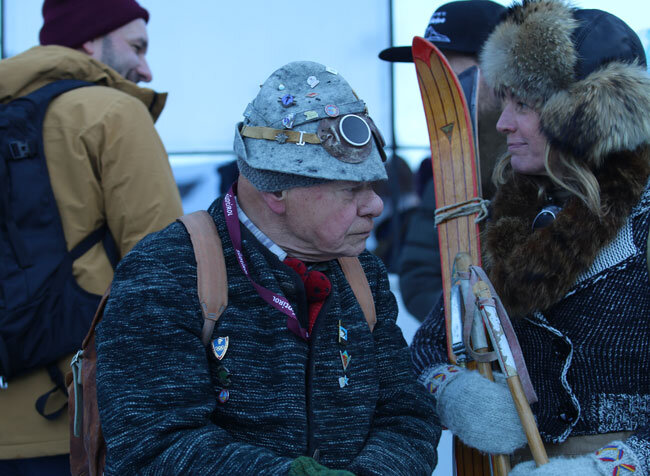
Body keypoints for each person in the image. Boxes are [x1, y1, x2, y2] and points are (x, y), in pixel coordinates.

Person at [94, 61, 440, 475]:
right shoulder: (166, 271)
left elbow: (408, 415)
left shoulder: (363, 274)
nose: (376, 206)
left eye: (374, 186)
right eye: (352, 190)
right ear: (277, 187)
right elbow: (151, 443)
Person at [412, 0, 650, 474]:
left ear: (585, 116)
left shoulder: (641, 227)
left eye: (524, 105)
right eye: (504, 102)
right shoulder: (500, 217)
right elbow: (426, 348)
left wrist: (613, 467)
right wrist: (454, 391)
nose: (503, 123)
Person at [0, 0, 182, 474]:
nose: (145, 68)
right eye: (136, 45)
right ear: (88, 39)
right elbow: (164, 271)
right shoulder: (113, 113)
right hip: (83, 424)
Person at [379, 0, 507, 321]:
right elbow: (418, 275)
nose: (434, 90)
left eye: (447, 73)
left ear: (501, 72)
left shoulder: (545, 158)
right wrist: (473, 327)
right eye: (426, 74)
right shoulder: (452, 164)